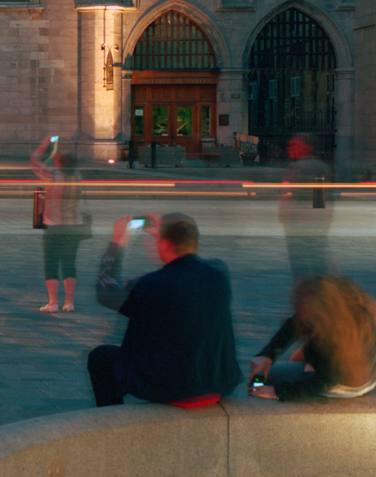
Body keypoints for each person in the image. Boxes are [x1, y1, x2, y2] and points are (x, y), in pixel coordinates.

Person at [88, 213, 241, 408]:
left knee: (100, 358)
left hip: (169, 386)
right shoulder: (219, 276)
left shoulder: (149, 285)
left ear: (165, 244)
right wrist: (172, 239)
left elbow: (105, 290)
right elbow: (196, 266)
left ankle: (113, 421)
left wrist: (117, 245)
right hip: (217, 382)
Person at [250, 275, 376, 400]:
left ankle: (311, 368)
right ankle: (311, 366)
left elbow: (322, 384)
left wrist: (277, 392)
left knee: (271, 375)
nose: (297, 311)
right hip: (368, 376)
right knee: (280, 366)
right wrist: (267, 356)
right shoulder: (345, 312)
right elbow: (293, 326)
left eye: (301, 310)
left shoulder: (336, 342)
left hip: (343, 386)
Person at [30, 134, 85, 313]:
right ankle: (69, 302)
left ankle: (53, 302)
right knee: (69, 263)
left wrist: (45, 144)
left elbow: (34, 161)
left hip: (54, 225)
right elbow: (63, 164)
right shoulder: (78, 176)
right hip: (75, 226)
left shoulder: (52, 176)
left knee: (51, 263)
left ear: (59, 163)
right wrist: (56, 153)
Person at [279, 133, 334, 281]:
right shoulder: (322, 166)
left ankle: (305, 288)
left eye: (294, 145)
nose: (289, 148)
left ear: (305, 147)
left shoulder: (298, 167)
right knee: (317, 259)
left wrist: (285, 214)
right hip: (317, 222)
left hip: (298, 222)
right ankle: (320, 287)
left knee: (299, 262)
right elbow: (320, 198)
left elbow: (289, 195)